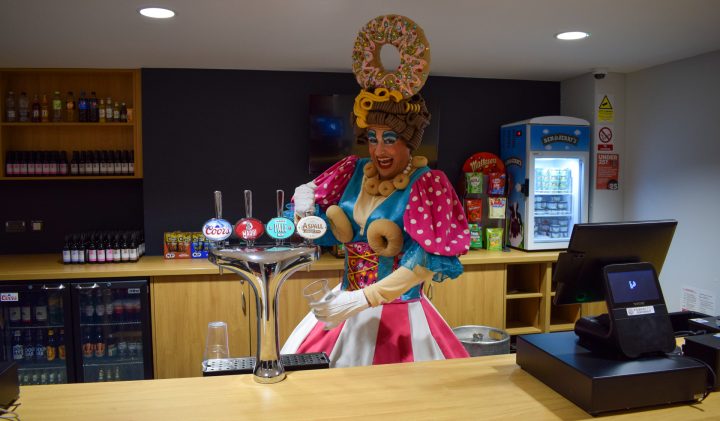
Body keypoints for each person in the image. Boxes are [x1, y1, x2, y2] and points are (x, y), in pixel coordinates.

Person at [281, 88, 471, 367]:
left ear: (408, 143)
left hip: (399, 309)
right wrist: (304, 209)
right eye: (373, 139)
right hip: (344, 299)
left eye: (389, 140)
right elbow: (312, 206)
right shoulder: (354, 170)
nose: (378, 150)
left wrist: (364, 299)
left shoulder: (428, 183)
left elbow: (427, 259)